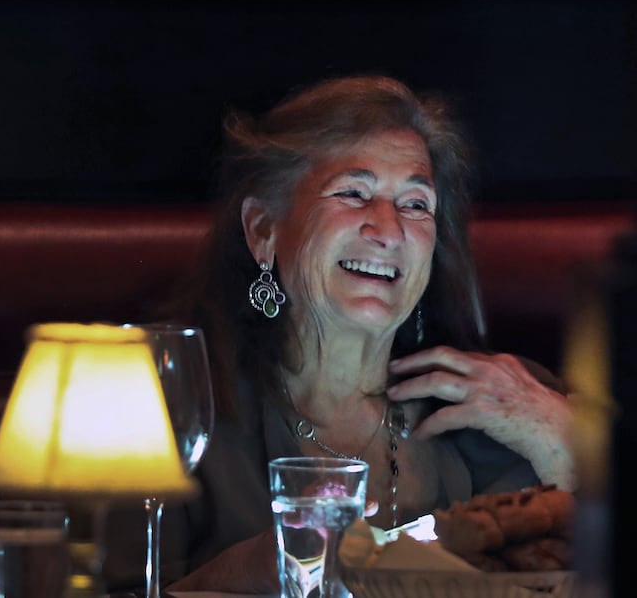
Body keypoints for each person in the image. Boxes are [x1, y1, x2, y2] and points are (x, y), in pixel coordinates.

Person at [164, 76, 573, 592]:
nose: (390, 228)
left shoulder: (507, 405)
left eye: (416, 204)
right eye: (354, 194)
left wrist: (567, 444)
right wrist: (246, 575)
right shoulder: (166, 413)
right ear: (263, 229)